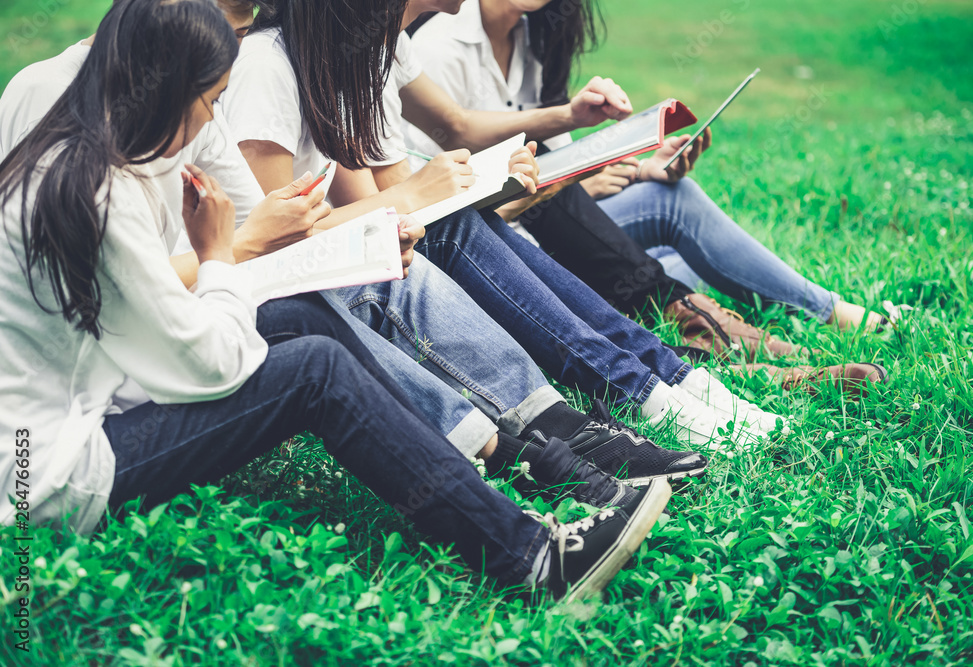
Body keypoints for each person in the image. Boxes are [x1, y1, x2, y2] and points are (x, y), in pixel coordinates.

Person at [0, 0, 672, 601]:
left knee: (298, 314)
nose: (214, 120)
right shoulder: (94, 194)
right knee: (314, 370)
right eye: (209, 102)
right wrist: (219, 255)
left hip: (100, 392)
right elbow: (212, 361)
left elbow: (261, 214)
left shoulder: (118, 119)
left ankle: (505, 456)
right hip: (50, 472)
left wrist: (316, 246)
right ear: (165, 88)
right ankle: (530, 556)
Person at [224, 0, 794, 456]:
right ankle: (644, 388)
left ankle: (666, 378)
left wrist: (460, 189)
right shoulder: (270, 68)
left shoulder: (346, 63)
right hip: (284, 297)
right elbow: (276, 244)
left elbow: (378, 202)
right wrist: (419, 196)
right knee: (447, 225)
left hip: (356, 262)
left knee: (452, 220)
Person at [405, 0, 897, 335]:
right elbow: (450, 193)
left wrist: (638, 169)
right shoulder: (436, 46)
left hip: (558, 218)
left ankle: (792, 309)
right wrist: (571, 182)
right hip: (502, 239)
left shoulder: (536, 36)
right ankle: (826, 313)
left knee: (673, 210)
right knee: (672, 250)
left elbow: (561, 162)